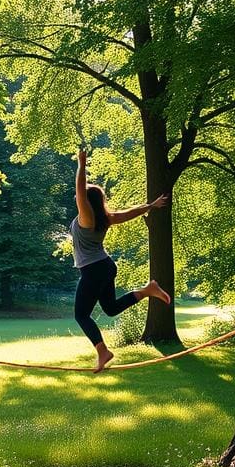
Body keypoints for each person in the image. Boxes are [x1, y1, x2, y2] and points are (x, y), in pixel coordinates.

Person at [70, 148, 170, 372]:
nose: (77, 197)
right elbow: (129, 213)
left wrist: (82, 164)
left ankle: (103, 352)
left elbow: (79, 190)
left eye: (82, 196)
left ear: (87, 201)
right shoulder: (105, 218)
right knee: (111, 308)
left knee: (80, 315)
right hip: (105, 266)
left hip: (94, 269)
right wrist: (150, 206)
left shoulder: (87, 218)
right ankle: (147, 290)